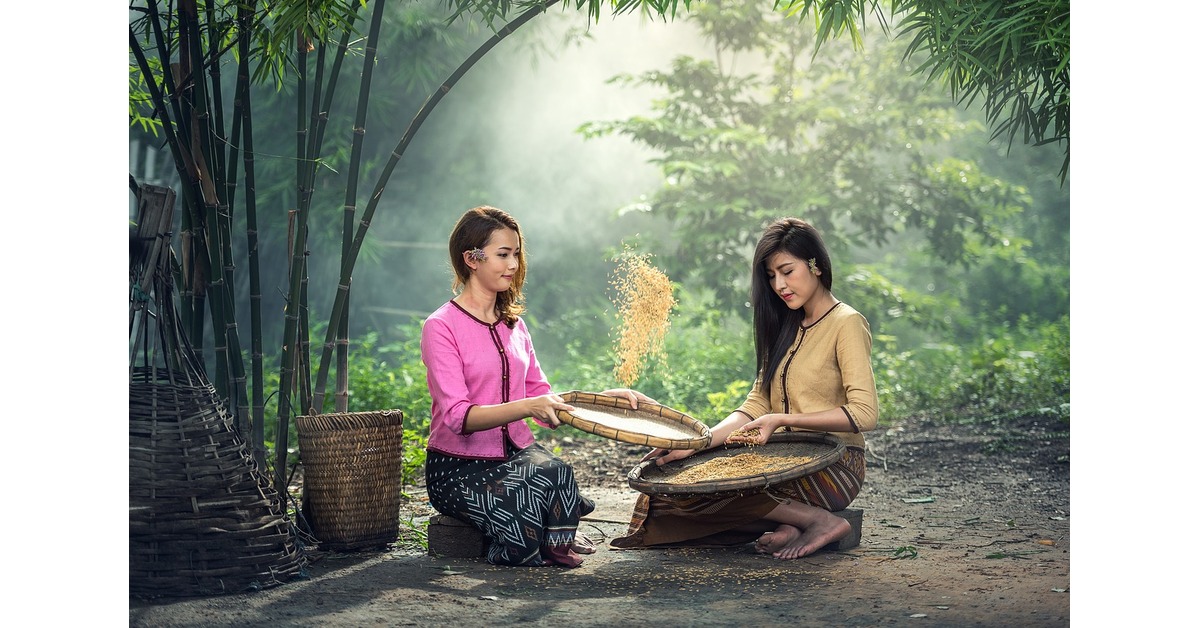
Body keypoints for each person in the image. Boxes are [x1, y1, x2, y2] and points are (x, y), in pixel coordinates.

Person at [612, 217, 878, 560]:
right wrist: (697, 444)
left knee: (712, 495)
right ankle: (789, 525)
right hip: (776, 460)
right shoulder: (785, 325)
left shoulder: (847, 323)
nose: (779, 284)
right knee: (669, 491)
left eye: (787, 270)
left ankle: (820, 520)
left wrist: (779, 420)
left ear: (815, 265)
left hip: (833, 465)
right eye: (771, 276)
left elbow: (865, 413)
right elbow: (755, 405)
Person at [421, 205, 653, 568]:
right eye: (503, 254)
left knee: (557, 472)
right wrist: (528, 407)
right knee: (526, 522)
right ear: (472, 258)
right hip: (458, 467)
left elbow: (540, 393)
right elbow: (458, 418)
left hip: (516, 456)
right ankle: (540, 533)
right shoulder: (441, 326)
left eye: (516, 254)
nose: (513, 265)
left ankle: (552, 534)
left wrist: (599, 401)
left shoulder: (514, 325)